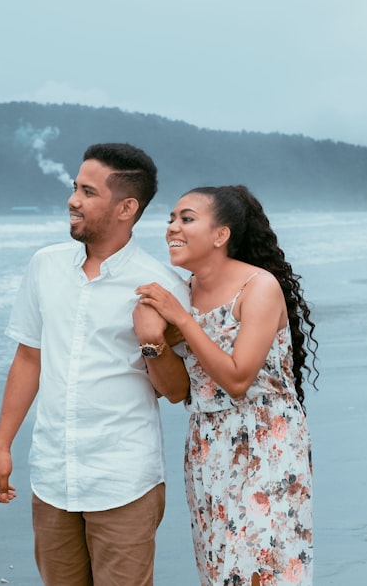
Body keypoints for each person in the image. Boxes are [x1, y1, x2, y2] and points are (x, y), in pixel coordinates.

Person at [0, 143, 191, 586]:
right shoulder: (46, 265)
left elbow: (176, 391)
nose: (73, 200)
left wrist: (152, 340)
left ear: (126, 207)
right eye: (75, 187)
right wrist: (3, 445)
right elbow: (28, 358)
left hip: (124, 480)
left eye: (88, 192)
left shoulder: (163, 285)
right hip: (52, 476)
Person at [133, 185, 319, 586]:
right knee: (220, 567)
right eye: (170, 220)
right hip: (207, 445)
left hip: (267, 439)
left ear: (221, 235)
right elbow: (177, 391)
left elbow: (237, 379)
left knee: (261, 565)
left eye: (186, 218)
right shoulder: (183, 292)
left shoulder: (258, 287)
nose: (171, 229)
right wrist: (151, 342)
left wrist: (182, 321)